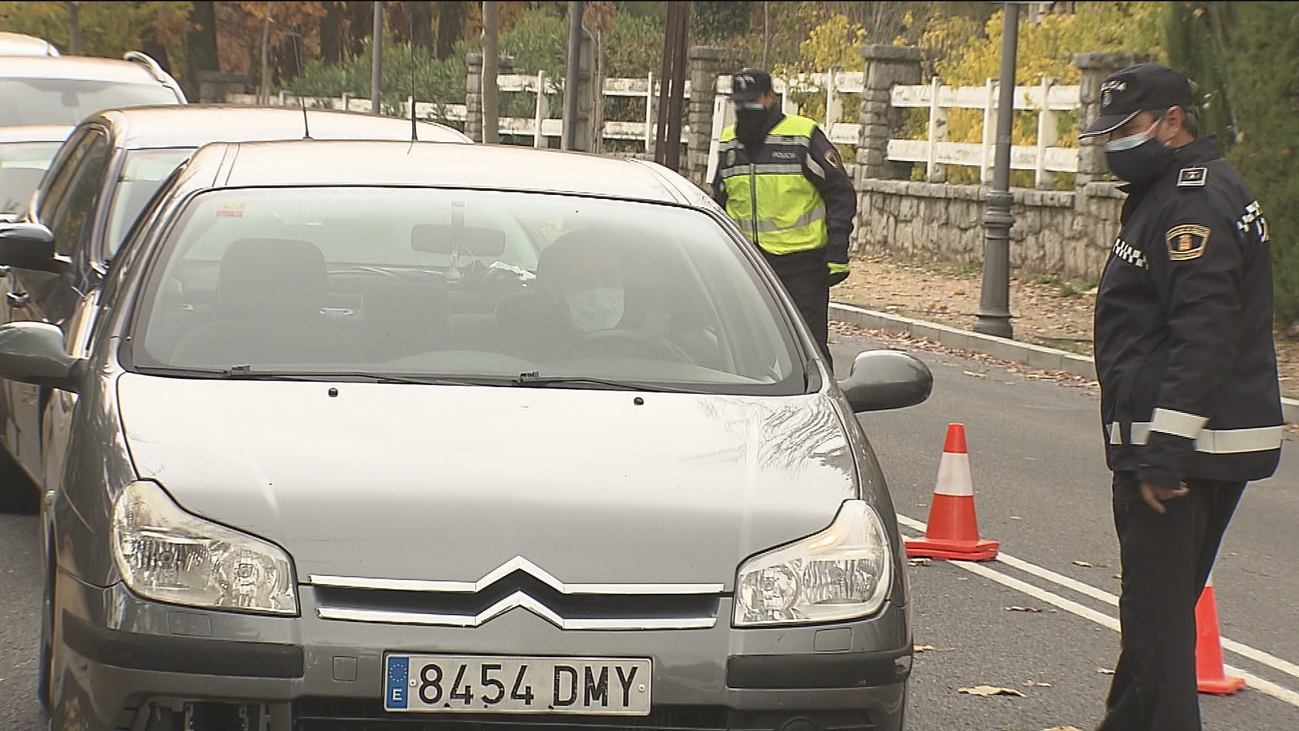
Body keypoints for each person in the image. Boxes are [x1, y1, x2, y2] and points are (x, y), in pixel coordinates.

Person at [1080, 63, 1283, 730]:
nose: (1112, 143)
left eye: (1125, 129)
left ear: (1171, 122)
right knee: (1157, 623)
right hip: (1196, 446)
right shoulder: (1177, 188)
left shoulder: (1189, 200)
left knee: (1157, 636)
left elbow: (1203, 329)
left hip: (1178, 455)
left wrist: (1163, 449)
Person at [711, 68, 857, 364]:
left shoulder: (802, 136)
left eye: (751, 101)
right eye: (738, 103)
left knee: (808, 352)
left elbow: (840, 192)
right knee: (746, 353)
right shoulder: (729, 142)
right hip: (748, 266)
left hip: (801, 264)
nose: (744, 109)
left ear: (770, 98)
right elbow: (720, 200)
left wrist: (837, 251)